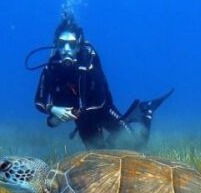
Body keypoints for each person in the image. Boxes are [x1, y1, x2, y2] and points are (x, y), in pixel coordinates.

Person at [32, 12, 172, 150]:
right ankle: (111, 143)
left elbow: (100, 100)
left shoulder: (89, 61)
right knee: (98, 155)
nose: (66, 50)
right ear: (56, 44)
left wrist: (72, 112)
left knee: (136, 144)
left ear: (79, 44)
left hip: (103, 110)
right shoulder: (51, 66)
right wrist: (54, 109)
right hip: (83, 119)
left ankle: (146, 110)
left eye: (72, 45)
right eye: (62, 44)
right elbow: (39, 100)